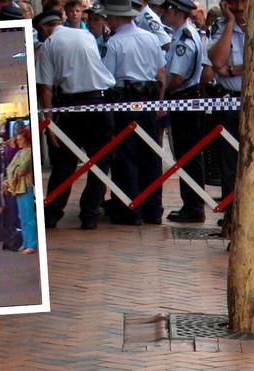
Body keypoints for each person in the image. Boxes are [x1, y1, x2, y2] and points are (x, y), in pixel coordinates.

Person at [35, 8, 115, 230]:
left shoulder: (48, 45)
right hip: (99, 103)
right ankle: (90, 214)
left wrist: (49, 123)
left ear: (43, 29)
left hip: (70, 107)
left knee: (64, 163)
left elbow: (46, 90)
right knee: (99, 161)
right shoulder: (86, 35)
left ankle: (52, 213)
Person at [100, 0, 166, 225]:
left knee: (126, 157)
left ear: (117, 18)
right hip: (148, 101)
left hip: (125, 103)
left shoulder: (114, 43)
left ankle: (131, 210)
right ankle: (153, 209)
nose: (107, 21)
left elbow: (107, 77)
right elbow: (161, 73)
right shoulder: (151, 38)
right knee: (150, 156)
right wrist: (159, 102)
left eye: (108, 17)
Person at [159, 0, 207, 223]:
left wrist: (160, 92)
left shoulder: (184, 39)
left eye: (166, 10)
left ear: (177, 12)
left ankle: (194, 207)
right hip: (186, 101)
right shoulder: (184, 34)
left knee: (188, 155)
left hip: (184, 100)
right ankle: (192, 204)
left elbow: (177, 78)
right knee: (188, 155)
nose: (162, 13)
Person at [207, 0, 243, 232]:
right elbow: (217, 61)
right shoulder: (222, 26)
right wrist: (230, 23)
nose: (239, 6)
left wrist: (231, 70)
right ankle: (232, 218)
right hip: (229, 100)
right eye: (233, 1)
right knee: (229, 163)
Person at [3, 125, 37, 254]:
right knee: (21, 217)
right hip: (17, 187)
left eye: (20, 139)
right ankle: (25, 242)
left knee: (29, 217)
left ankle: (32, 244)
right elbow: (12, 167)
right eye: (17, 139)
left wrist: (13, 172)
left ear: (26, 139)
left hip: (25, 186)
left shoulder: (29, 152)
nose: (18, 142)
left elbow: (21, 170)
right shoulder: (19, 153)